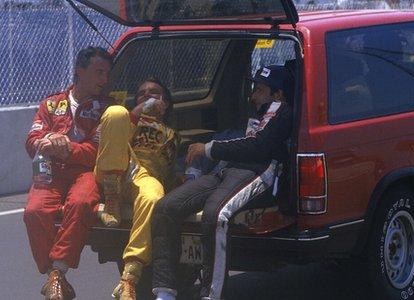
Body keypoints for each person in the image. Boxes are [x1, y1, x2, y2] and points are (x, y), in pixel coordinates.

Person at [151, 65, 294, 300]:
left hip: (257, 170)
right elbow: (234, 139)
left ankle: (211, 294)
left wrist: (208, 149)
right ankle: (165, 291)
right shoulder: (254, 115)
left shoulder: (281, 110)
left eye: (259, 90)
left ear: (277, 95)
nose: (253, 95)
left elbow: (258, 146)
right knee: (167, 207)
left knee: (215, 215)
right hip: (227, 169)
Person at [23, 46, 114, 300]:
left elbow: (98, 151)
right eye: (98, 72)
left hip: (85, 172)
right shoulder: (51, 104)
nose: (104, 80)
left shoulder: (109, 110)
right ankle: (55, 276)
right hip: (50, 172)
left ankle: (57, 272)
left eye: (107, 74)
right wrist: (48, 139)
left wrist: (67, 150)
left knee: (82, 202)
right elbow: (32, 141)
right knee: (34, 212)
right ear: (79, 72)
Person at [95, 78, 180, 300]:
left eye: (154, 93)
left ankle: (129, 279)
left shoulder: (172, 134)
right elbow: (103, 141)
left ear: (166, 102)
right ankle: (111, 198)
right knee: (115, 112)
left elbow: (169, 171)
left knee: (154, 197)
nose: (147, 96)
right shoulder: (125, 119)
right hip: (116, 168)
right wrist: (137, 112)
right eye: (142, 93)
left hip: (143, 178)